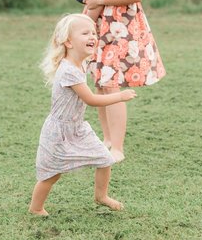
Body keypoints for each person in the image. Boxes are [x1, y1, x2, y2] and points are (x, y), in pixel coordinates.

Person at [66, 0, 166, 163]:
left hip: (124, 24)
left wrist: (101, 0)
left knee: (112, 84)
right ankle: (107, 140)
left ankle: (117, 147)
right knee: (100, 83)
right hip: (95, 23)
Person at [29, 13, 136, 216]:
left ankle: (101, 196)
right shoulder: (69, 70)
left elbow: (99, 56)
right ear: (68, 41)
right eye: (85, 33)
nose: (93, 37)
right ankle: (36, 208)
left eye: (94, 33)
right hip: (59, 132)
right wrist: (120, 96)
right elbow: (92, 100)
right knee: (51, 175)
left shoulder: (81, 63)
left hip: (77, 129)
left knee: (105, 160)